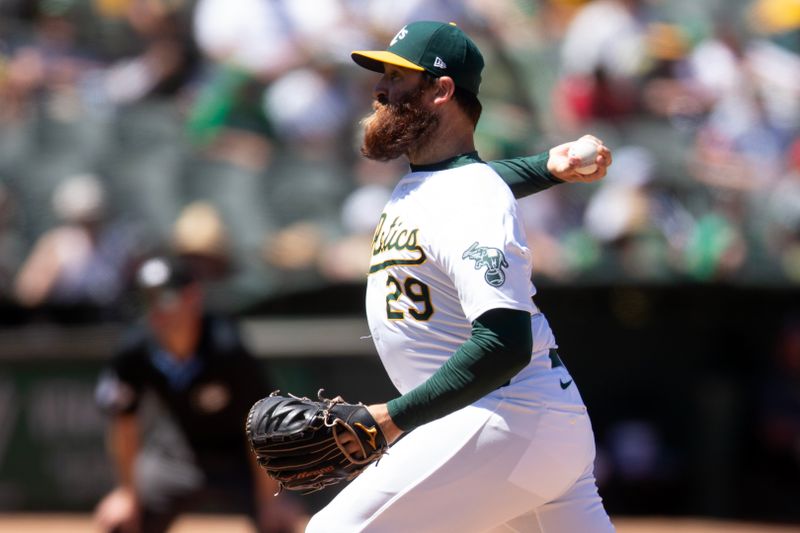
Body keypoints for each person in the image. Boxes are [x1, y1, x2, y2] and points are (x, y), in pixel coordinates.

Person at [304, 21, 615, 532]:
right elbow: (470, 185)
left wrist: (392, 417)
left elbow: (505, 342)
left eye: (399, 77)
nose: (380, 88)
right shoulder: (444, 185)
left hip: (504, 414)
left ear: (442, 90)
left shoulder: (472, 195)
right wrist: (548, 165)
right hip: (532, 420)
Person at [94, 255, 305, 533]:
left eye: (166, 297)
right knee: (121, 523)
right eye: (148, 299)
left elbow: (261, 425)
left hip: (239, 455)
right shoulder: (135, 350)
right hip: (179, 452)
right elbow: (123, 422)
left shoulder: (227, 347)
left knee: (279, 524)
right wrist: (126, 493)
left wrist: (270, 499)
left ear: (193, 297)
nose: (157, 309)